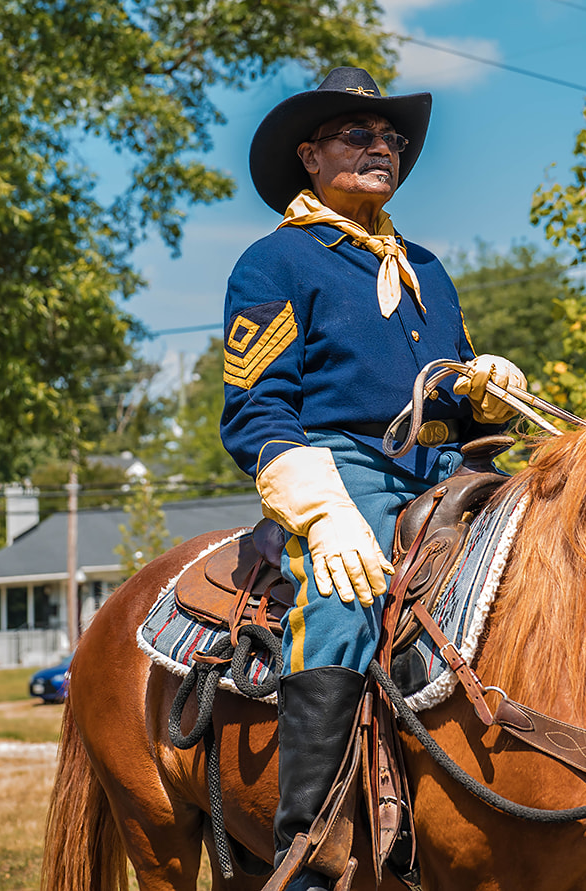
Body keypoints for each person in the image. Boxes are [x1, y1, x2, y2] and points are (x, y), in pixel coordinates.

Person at [220, 66, 526, 891]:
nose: (383, 146)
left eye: (392, 138)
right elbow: (257, 409)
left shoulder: (426, 266)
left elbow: (455, 416)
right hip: (337, 466)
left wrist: (479, 390)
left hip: (439, 471)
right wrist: (321, 514)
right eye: (361, 135)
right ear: (311, 155)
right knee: (345, 601)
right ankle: (309, 851)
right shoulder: (275, 261)